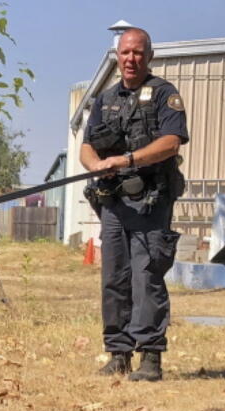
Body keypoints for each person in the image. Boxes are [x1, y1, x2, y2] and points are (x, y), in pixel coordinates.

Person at [80, 27, 189, 382]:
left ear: (149, 57)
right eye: (125, 53)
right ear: (117, 57)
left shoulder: (163, 95)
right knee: (115, 278)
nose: (131, 59)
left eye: (138, 53)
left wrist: (126, 160)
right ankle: (118, 352)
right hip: (113, 202)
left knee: (147, 277)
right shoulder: (105, 98)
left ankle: (151, 357)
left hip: (151, 200)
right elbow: (86, 147)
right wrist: (96, 164)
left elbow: (171, 143)